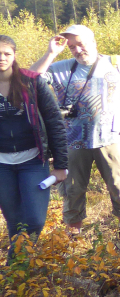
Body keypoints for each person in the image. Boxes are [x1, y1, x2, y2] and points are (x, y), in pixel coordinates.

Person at [30, 25, 120, 240]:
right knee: (73, 190)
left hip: (111, 138)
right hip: (72, 142)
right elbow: (29, 80)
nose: (78, 50)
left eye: (81, 44)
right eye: (72, 47)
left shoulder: (115, 64)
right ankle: (74, 238)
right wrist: (51, 53)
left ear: (93, 41)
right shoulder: (59, 68)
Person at [0, 35, 67, 253]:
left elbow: (55, 122)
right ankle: (19, 273)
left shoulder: (33, 82)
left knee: (35, 220)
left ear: (14, 55)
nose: (1, 58)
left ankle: (15, 264)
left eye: (6, 53)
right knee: (14, 220)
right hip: (1, 165)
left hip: (33, 161)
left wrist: (61, 164)